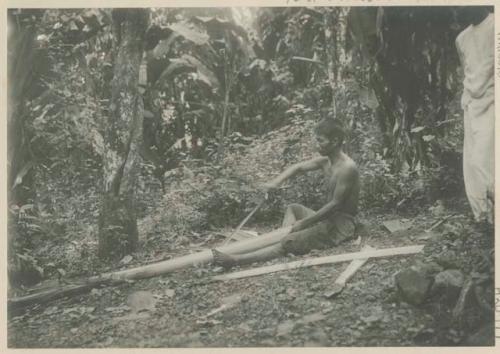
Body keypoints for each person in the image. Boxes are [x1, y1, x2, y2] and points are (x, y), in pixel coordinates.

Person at [212, 118, 359, 268]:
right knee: (294, 208)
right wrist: (274, 183)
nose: (316, 145)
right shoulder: (326, 161)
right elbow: (298, 167)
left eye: (320, 140)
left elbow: (335, 204)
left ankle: (236, 260)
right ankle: (288, 235)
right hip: (327, 220)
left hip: (341, 226)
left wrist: (304, 223)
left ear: (334, 141)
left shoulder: (347, 168)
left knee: (287, 242)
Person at [455, 7, 494, 224]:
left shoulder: (495, 24)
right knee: (472, 162)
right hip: (472, 104)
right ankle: (484, 216)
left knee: (486, 159)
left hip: (492, 102)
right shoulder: (462, 38)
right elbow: (466, 73)